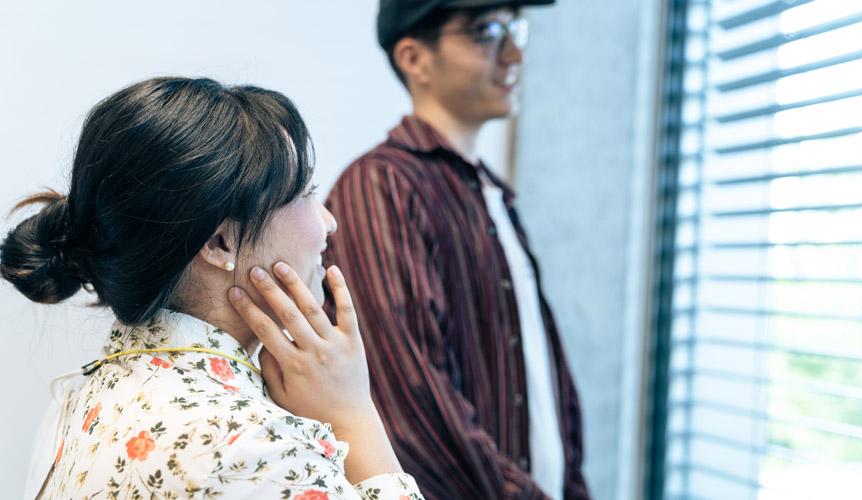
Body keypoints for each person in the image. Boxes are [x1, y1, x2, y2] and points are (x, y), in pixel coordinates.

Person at [5, 77, 423, 500]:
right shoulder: (253, 446)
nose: (328, 222)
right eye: (305, 192)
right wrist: (354, 415)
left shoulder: (80, 398)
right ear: (218, 243)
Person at [323, 1, 590, 499]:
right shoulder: (382, 186)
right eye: (487, 31)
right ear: (414, 58)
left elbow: (545, 382)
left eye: (516, 29)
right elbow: (408, 400)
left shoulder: (493, 195)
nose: (514, 54)